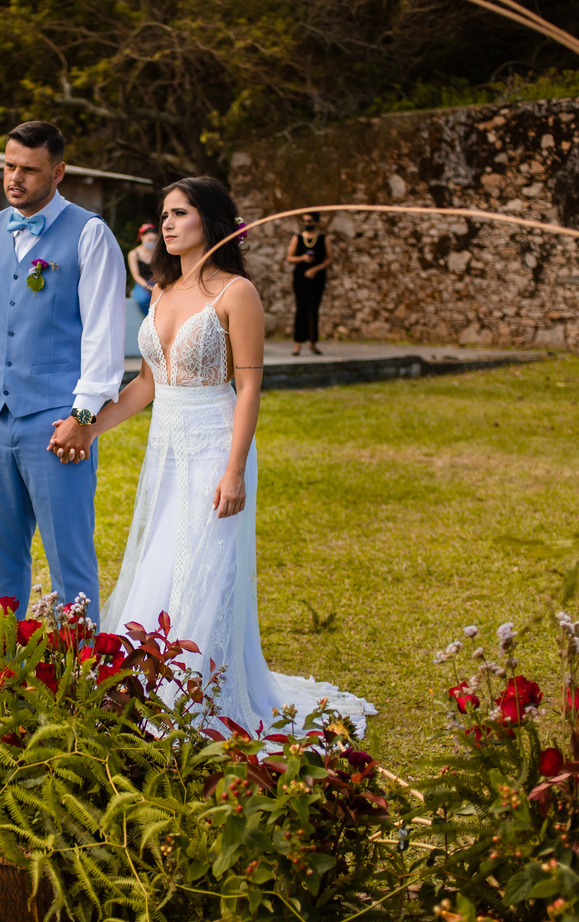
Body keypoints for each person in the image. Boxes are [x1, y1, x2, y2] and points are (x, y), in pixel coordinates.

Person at [88, 177, 374, 733]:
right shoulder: (160, 291)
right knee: (159, 561)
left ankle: (198, 702)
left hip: (215, 446)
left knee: (206, 571)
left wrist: (234, 469)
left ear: (211, 219)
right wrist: (91, 429)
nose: (167, 224)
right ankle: (142, 686)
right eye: (163, 215)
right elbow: (146, 383)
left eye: (179, 213)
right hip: (165, 451)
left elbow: (248, 388)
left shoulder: (236, 293)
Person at [0, 120, 124, 623]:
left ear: (58, 172)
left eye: (29, 169)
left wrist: (83, 418)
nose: (14, 178)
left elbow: (104, 335)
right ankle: (2, 660)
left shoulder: (90, 234)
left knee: (70, 558)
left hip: (57, 421)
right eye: (8, 166)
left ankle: (80, 665)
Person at [286, 211, 331, 356]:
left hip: (317, 277)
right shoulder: (297, 238)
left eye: (309, 221)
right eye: (304, 221)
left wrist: (316, 269)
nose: (307, 224)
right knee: (301, 309)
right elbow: (289, 258)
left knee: (314, 309)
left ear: (316, 222)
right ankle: (297, 344)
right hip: (301, 277)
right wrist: (303, 258)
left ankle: (313, 342)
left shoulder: (323, 238)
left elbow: (330, 258)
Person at [127, 222, 157, 317]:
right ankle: (148, 319)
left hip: (157, 282)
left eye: (154, 240)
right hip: (142, 284)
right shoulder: (134, 254)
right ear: (142, 237)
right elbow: (136, 275)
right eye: (150, 240)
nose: (152, 243)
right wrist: (148, 287)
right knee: (143, 299)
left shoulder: (157, 253)